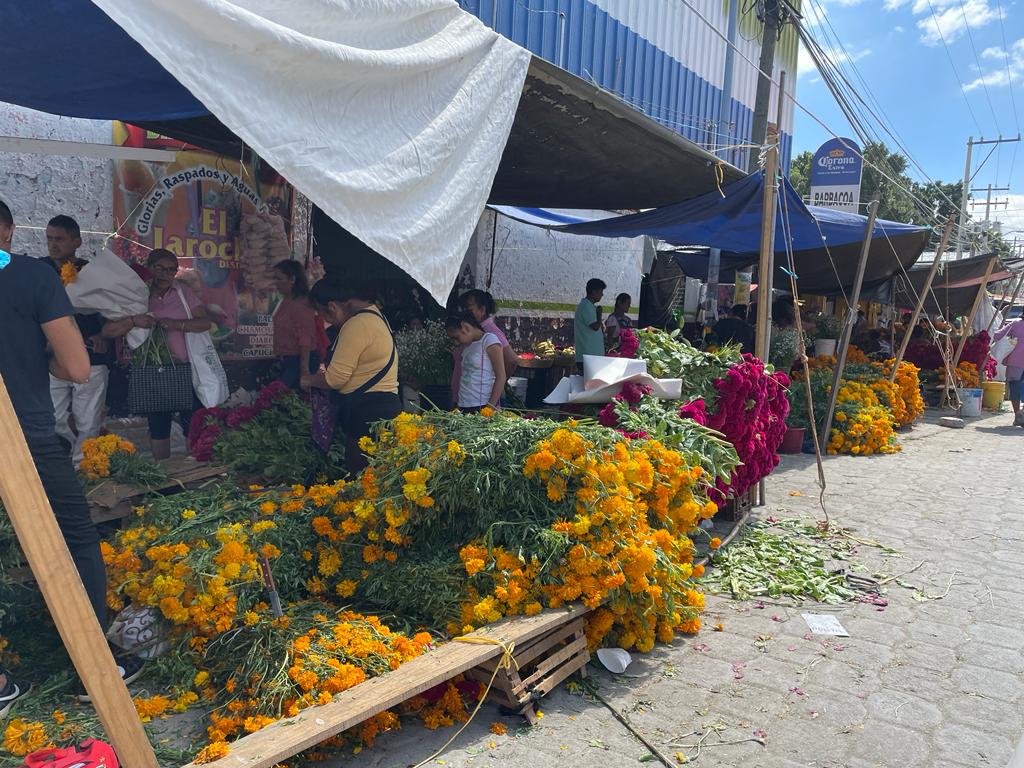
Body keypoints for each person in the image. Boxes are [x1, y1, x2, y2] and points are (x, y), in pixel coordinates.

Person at [0, 200, 143, 712]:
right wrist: (43, 365)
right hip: (26, 436)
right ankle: (93, 665)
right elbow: (79, 368)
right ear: (11, 232)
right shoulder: (31, 277)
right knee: (75, 539)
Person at [102, 249, 212, 459]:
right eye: (160, 268)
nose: (165, 274)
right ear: (149, 267)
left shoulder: (183, 293)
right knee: (159, 427)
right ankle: (165, 478)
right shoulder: (136, 295)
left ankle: (195, 471)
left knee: (194, 424)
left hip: (185, 370)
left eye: (171, 270)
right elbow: (108, 331)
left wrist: (176, 324)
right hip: (152, 371)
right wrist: (134, 321)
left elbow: (205, 323)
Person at [303, 278, 401, 474]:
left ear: (332, 306)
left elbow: (335, 379)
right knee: (379, 476)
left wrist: (308, 379)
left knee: (362, 478)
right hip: (383, 408)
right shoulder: (375, 316)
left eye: (322, 313)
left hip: (367, 413)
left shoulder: (357, 325)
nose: (326, 321)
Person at [43, 215, 115, 465]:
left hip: (91, 357)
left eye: (60, 239)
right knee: (53, 418)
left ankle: (85, 472)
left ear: (77, 241)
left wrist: (103, 333)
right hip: (51, 358)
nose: (53, 244)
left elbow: (113, 311)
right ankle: (61, 468)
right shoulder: (38, 271)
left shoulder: (93, 273)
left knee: (88, 421)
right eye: (49, 238)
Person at [452, 289, 517, 403]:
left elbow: (511, 360)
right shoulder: (469, 331)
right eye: (462, 309)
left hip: (481, 404)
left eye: (469, 309)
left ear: (482, 310)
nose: (464, 313)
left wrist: (497, 383)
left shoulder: (490, 333)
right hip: (464, 401)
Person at [271, 260, 319, 390]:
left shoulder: (301, 303)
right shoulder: (287, 299)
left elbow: (305, 339)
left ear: (292, 279)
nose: (275, 282)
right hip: (287, 360)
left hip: (299, 361)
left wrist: (304, 371)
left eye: (278, 278)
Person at [446, 313, 507, 413]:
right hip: (463, 404)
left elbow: (501, 376)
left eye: (456, 337)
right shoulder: (466, 346)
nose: (455, 343)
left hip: (483, 405)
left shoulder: (489, 340)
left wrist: (490, 407)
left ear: (466, 327)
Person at [994, 317, 1024, 427]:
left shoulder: (1016, 324)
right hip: (1016, 362)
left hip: (1015, 362)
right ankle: (1022, 414)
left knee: (1015, 386)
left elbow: (997, 336)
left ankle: (1018, 416)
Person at [574, 278, 606, 373]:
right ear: (594, 292)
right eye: (601, 292)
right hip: (588, 357)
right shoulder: (585, 306)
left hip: (592, 357)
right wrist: (599, 314)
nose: (602, 295)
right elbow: (595, 327)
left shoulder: (590, 306)